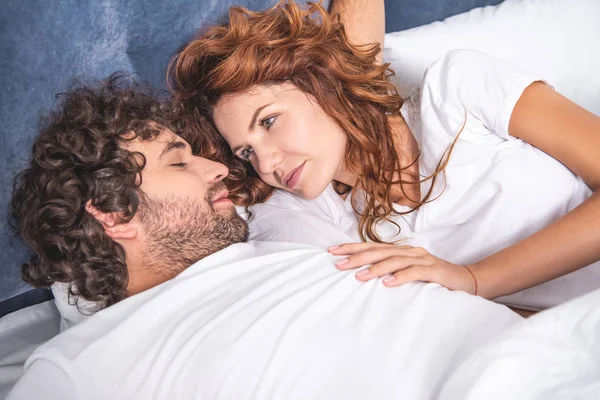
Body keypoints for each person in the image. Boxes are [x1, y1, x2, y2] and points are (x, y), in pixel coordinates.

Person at [8, 75, 522, 400]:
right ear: (115, 216)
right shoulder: (82, 368)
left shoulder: (289, 237)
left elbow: (345, 74)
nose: (217, 169)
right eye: (179, 162)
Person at [169, 0, 600, 305]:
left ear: (319, 84)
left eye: (268, 121)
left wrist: (477, 280)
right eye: (246, 152)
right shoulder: (310, 219)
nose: (266, 164)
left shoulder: (459, 91)